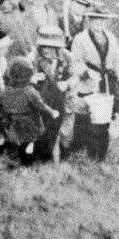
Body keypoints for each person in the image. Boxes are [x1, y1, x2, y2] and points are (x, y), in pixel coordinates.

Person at [70, 7, 119, 161]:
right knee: (85, 119)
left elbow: (117, 64)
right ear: (89, 20)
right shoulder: (80, 38)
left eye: (101, 20)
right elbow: (75, 62)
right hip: (86, 84)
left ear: (106, 21)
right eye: (95, 19)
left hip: (106, 84)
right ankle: (81, 153)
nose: (98, 23)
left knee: (103, 121)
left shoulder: (111, 38)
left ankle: (99, 156)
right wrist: (88, 73)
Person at [0, 56, 59, 164]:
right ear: (29, 74)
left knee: (14, 142)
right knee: (29, 143)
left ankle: (12, 158)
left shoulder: (6, 91)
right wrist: (52, 112)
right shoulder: (30, 92)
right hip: (29, 124)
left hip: (12, 122)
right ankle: (28, 156)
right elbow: (41, 105)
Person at [32, 25, 78, 161]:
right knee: (40, 130)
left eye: (50, 46)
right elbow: (24, 77)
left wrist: (67, 83)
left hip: (62, 99)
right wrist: (32, 79)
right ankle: (38, 160)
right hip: (40, 99)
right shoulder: (34, 57)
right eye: (43, 45)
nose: (46, 49)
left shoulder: (68, 57)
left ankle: (60, 159)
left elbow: (76, 76)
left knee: (62, 131)